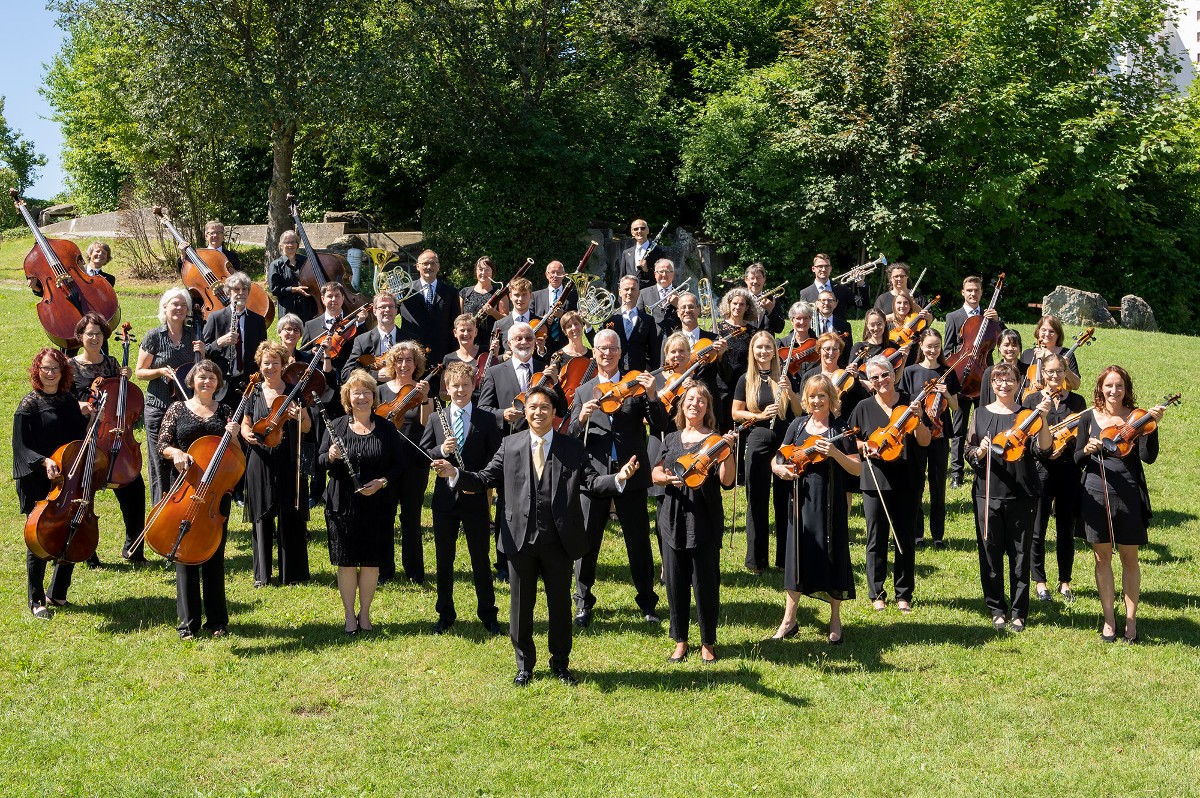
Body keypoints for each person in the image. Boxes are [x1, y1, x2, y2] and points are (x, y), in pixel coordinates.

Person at [431, 386, 636, 687]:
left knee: (559, 606)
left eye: (544, 407)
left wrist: (618, 478)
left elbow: (592, 481)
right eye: (532, 407)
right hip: (519, 539)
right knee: (520, 606)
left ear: (554, 413)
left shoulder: (571, 447)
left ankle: (560, 663)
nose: (538, 412)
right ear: (524, 412)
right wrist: (455, 474)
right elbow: (485, 478)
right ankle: (524, 665)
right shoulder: (510, 445)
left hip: (558, 541)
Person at [569, 329, 666, 626]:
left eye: (612, 348)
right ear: (594, 353)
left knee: (638, 542)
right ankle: (583, 603)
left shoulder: (635, 385)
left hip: (632, 472)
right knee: (586, 542)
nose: (607, 353)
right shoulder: (584, 392)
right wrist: (581, 418)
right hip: (594, 475)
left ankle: (648, 602)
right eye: (601, 349)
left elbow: (661, 424)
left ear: (620, 353)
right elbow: (570, 435)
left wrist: (651, 395)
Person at [1075, 366, 1167, 643]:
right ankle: (1108, 619)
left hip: (1128, 493)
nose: (1114, 391)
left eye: (1119, 386)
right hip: (1096, 489)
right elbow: (1077, 459)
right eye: (1109, 386)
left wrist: (1152, 428)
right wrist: (1087, 450)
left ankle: (1130, 620)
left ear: (1126, 389)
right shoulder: (1088, 417)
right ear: (1100, 388)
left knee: (1130, 558)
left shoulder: (1137, 418)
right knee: (1102, 557)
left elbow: (1147, 456)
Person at [770, 374, 862, 644]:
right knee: (797, 556)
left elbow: (857, 468)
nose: (817, 400)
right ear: (806, 400)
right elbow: (779, 457)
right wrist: (779, 469)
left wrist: (835, 453)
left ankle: (835, 618)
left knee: (833, 555)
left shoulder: (841, 429)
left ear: (831, 399)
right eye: (812, 396)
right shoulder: (797, 426)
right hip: (800, 499)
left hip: (830, 501)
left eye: (822, 395)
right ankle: (789, 619)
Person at [651, 383, 737, 664]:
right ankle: (680, 640)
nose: (695, 404)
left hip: (704, 516)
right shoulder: (672, 438)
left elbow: (726, 480)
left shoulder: (714, 439)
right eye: (690, 399)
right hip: (673, 514)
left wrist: (729, 450)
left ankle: (707, 642)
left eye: (701, 400)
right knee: (674, 582)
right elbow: (656, 472)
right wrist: (666, 478)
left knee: (705, 582)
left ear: (707, 408)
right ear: (682, 406)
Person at [966, 363, 1052, 631]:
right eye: (999, 380)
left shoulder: (1028, 415)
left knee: (1019, 555)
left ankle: (1018, 611)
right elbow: (968, 451)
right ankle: (996, 608)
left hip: (1022, 494)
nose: (1004, 385)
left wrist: (1045, 418)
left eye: (1010, 380)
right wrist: (979, 452)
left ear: (1018, 384)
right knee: (990, 553)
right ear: (991, 384)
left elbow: (1044, 449)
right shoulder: (980, 414)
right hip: (987, 493)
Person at [320, 369, 406, 634]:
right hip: (342, 504)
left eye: (367, 392)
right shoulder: (335, 426)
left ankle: (365, 614)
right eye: (356, 392)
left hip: (376, 505)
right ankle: (349, 616)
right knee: (346, 561)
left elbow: (398, 466)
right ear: (348, 397)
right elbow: (319, 462)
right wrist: (331, 455)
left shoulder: (386, 428)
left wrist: (382, 482)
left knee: (371, 562)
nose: (362, 397)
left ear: (374, 396)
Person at [157, 359, 238, 639]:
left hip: (215, 495)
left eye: (212, 378)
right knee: (184, 554)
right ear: (192, 381)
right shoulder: (177, 409)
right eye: (202, 377)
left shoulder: (226, 412)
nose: (206, 382)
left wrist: (235, 437)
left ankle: (217, 622)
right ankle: (187, 624)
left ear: (218, 383)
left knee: (214, 555)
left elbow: (236, 458)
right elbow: (162, 445)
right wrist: (176, 453)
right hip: (185, 490)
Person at [421, 362, 504, 634]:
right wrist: (440, 450)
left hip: (475, 498)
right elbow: (423, 453)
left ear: (473, 387)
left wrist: (478, 481)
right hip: (445, 501)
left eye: (465, 385)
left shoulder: (486, 419)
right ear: (446, 388)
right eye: (454, 386)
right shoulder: (436, 418)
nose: (460, 390)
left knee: (480, 558)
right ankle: (445, 613)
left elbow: (496, 458)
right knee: (444, 559)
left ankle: (488, 614)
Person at [850, 356, 931, 613]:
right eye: (874, 377)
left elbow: (926, 440)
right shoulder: (863, 407)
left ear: (893, 374)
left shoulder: (911, 403)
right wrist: (867, 447)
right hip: (875, 480)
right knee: (876, 537)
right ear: (870, 382)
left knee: (905, 538)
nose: (881, 380)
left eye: (884, 374)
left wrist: (918, 420)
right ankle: (877, 593)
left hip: (908, 478)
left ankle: (903, 593)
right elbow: (851, 441)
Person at [15, 348, 88, 619]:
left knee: (72, 529)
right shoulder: (29, 405)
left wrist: (91, 420)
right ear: (37, 371)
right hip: (38, 479)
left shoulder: (68, 401)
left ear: (63, 372)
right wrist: (44, 461)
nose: (50, 373)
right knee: (39, 537)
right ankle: (36, 600)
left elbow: (79, 439)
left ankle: (57, 592)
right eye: (45, 368)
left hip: (67, 478)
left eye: (55, 369)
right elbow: (21, 447)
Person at [69, 312, 147, 564]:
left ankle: (134, 549)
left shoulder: (113, 363)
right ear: (80, 337)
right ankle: (87, 552)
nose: (94, 338)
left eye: (98, 333)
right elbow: (62, 400)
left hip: (114, 435)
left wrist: (124, 381)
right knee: (84, 495)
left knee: (135, 489)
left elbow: (120, 402)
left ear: (105, 337)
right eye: (89, 333)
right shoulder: (70, 366)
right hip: (86, 436)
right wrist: (79, 404)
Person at [240, 341, 312, 587]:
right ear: (259, 365)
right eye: (265, 363)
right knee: (262, 514)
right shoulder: (254, 391)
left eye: (275, 363)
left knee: (289, 514)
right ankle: (262, 576)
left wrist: (299, 416)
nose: (270, 367)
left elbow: (308, 427)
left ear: (283, 365)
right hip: (259, 458)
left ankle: (292, 574)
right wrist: (246, 433)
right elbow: (245, 421)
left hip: (288, 458)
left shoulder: (294, 391)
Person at [732, 330, 802, 573]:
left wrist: (790, 392)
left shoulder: (784, 376)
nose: (763, 351)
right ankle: (756, 561)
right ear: (753, 351)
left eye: (768, 347)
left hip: (783, 440)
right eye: (759, 347)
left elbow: (798, 411)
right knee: (757, 501)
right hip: (758, 438)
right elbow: (735, 413)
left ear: (775, 351)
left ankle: (784, 560)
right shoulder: (745, 380)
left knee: (784, 501)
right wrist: (759, 416)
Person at [136, 287, 207, 504]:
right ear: (164, 307)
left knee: (183, 458)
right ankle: (160, 511)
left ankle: (181, 508)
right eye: (174, 304)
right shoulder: (154, 337)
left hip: (184, 408)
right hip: (158, 406)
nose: (178, 308)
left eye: (182, 305)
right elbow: (140, 372)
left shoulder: (193, 336)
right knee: (159, 460)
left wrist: (202, 354)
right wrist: (159, 371)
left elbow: (201, 372)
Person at [1024, 354, 1086, 603]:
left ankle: (1065, 582)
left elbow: (1083, 434)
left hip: (1069, 471)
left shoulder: (1078, 402)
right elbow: (1026, 437)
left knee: (1065, 530)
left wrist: (1068, 444)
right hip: (1041, 470)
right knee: (1037, 529)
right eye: (1050, 372)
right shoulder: (1031, 401)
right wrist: (1045, 449)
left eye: (1059, 371)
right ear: (1043, 374)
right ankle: (1040, 582)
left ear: (1065, 373)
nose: (1054, 376)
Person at [376, 340, 434, 584]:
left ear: (416, 363)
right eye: (399, 360)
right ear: (392, 363)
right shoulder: (380, 391)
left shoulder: (421, 391)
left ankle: (414, 572)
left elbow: (426, 423)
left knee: (411, 518)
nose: (403, 364)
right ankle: (384, 571)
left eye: (409, 360)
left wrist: (423, 398)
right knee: (385, 517)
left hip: (413, 461)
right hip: (386, 463)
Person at [898, 328, 959, 548]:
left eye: (936, 346)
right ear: (921, 347)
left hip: (940, 435)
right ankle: (917, 534)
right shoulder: (911, 371)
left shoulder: (947, 372)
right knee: (916, 484)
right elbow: (904, 403)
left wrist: (947, 393)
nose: (932, 350)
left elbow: (954, 406)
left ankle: (938, 535)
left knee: (937, 485)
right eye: (929, 346)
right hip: (916, 433)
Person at [944, 275, 1003, 489]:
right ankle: (956, 473)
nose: (973, 294)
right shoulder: (954, 317)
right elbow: (947, 349)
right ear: (963, 292)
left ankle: (986, 465)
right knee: (959, 428)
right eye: (969, 290)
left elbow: (1005, 342)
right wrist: (961, 362)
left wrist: (998, 322)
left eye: (976, 290)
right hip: (961, 378)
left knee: (985, 425)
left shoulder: (991, 319)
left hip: (984, 378)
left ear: (981, 293)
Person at [201, 271, 268, 402]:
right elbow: (203, 352)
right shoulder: (215, 318)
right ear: (228, 292)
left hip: (248, 383)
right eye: (236, 289)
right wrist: (219, 343)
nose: (241, 293)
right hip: (222, 383)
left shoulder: (258, 320)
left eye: (245, 289)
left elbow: (262, 352)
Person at [398, 249, 458, 367]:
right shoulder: (404, 291)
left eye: (433, 263)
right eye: (425, 264)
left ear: (438, 266)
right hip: (411, 354)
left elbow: (454, 325)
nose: (429, 267)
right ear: (417, 266)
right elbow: (389, 316)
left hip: (441, 354)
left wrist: (454, 355)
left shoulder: (451, 292)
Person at [715, 287, 759, 429]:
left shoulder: (752, 332)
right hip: (722, 386)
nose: (737, 307)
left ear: (747, 307)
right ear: (728, 304)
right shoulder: (718, 329)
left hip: (744, 385)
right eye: (734, 303)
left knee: (741, 429)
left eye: (742, 304)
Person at [344, 291, 402, 384]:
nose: (387, 310)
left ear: (396, 310)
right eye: (382, 307)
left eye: (391, 306)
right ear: (374, 311)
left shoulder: (410, 339)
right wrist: (374, 375)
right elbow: (346, 373)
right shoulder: (362, 341)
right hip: (374, 395)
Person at [605, 275, 658, 372]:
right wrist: (588, 326)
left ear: (638, 293)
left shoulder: (648, 320)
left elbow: (654, 352)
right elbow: (598, 343)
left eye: (633, 289)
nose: (629, 292)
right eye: (626, 289)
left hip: (639, 373)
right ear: (620, 292)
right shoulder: (609, 318)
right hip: (614, 372)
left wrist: (655, 375)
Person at [1022, 315, 1082, 394]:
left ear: (1058, 335)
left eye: (1052, 331)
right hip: (1030, 398)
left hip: (1058, 400)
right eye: (1043, 330)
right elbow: (1020, 383)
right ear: (1038, 331)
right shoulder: (1027, 354)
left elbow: (1076, 386)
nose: (1047, 334)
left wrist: (1066, 368)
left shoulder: (1066, 354)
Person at [267, 230, 316, 321]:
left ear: (297, 244)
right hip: (288, 309)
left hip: (308, 307)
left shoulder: (306, 261)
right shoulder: (276, 265)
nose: (290, 245)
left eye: (293, 241)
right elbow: (274, 290)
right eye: (287, 242)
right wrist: (295, 289)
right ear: (281, 245)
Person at [459, 256, 507, 349]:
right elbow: (458, 319)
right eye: (480, 269)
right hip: (469, 341)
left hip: (492, 343)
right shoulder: (465, 293)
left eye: (487, 270)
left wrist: (493, 312)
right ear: (476, 271)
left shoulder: (500, 294)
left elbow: (506, 320)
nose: (483, 273)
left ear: (492, 272)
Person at [532, 260, 576, 355]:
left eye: (558, 273)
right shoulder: (535, 296)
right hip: (542, 343)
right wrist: (543, 320)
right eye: (552, 272)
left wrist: (563, 315)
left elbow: (579, 318)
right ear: (546, 275)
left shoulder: (574, 295)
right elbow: (530, 319)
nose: (555, 275)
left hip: (567, 343)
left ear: (564, 274)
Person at [798, 253, 868, 313]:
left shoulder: (842, 289)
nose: (823, 269)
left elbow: (864, 305)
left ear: (830, 268)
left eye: (826, 266)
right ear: (813, 269)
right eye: (820, 266)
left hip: (839, 329)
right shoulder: (805, 293)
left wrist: (861, 284)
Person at [636, 258, 683, 340]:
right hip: (652, 341)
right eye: (661, 272)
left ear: (673, 274)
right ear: (655, 274)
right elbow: (638, 319)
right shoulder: (643, 293)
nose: (664, 275)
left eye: (668, 271)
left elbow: (691, 318)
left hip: (676, 341)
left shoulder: (683, 294)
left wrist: (678, 304)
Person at [979, 329, 1029, 406]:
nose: (1010, 348)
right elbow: (984, 402)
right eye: (1006, 345)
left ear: (1020, 348)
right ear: (999, 347)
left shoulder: (1029, 371)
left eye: (1014, 345)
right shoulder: (990, 372)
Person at [494, 277, 540, 354]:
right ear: (510, 296)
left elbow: (548, 354)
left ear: (531, 296)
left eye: (524, 294)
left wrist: (541, 350)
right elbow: (494, 356)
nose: (520, 299)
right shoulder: (499, 325)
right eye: (516, 295)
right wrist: (502, 358)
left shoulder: (540, 323)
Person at [812, 289, 855, 367]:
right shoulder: (809, 324)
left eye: (830, 300)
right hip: (814, 366)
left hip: (838, 367)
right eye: (823, 300)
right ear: (817, 303)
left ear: (835, 304)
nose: (826, 303)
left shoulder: (845, 326)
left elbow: (848, 351)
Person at [620, 218, 665, 288]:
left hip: (649, 294)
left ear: (648, 230)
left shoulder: (658, 252)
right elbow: (622, 277)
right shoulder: (626, 253)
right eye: (636, 229)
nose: (639, 231)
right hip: (630, 294)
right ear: (632, 232)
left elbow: (662, 277)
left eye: (642, 228)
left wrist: (646, 270)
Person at [743, 263, 785, 334]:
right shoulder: (740, 299)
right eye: (752, 278)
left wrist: (770, 310)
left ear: (764, 279)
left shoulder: (772, 299)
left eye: (758, 278)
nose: (755, 281)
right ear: (746, 280)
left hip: (766, 343)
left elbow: (779, 329)